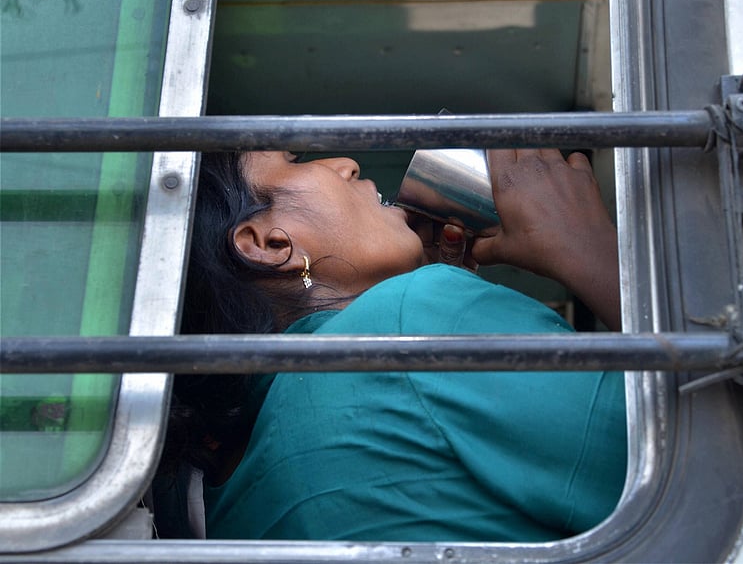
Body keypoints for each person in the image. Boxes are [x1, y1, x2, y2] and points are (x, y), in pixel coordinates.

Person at [158, 149, 626, 543]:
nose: (346, 164)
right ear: (270, 243)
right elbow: (684, 451)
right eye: (295, 160)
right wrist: (585, 245)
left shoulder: (210, 496)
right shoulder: (410, 320)